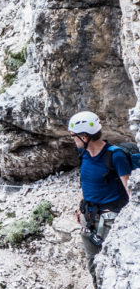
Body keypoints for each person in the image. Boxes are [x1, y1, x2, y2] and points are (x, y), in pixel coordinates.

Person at [68, 111, 132, 287]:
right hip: (89, 217)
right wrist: (80, 206)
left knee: (113, 263)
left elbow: (130, 190)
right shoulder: (85, 154)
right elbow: (86, 181)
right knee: (92, 263)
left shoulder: (115, 156)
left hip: (110, 220)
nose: (72, 139)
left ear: (84, 136)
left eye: (73, 136)